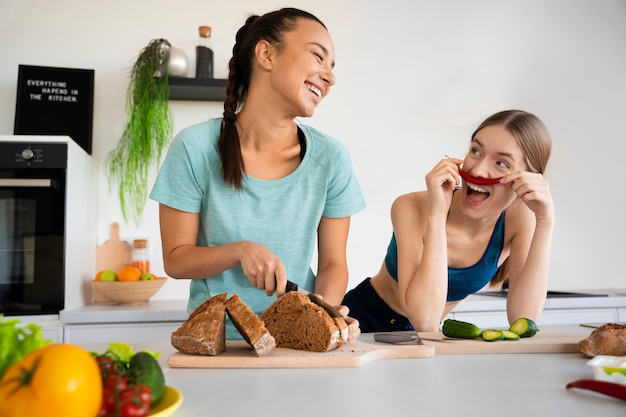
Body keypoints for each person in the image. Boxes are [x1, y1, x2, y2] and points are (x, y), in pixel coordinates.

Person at [150, 8, 365, 340]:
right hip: (215, 342)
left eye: (332, 67)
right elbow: (176, 260)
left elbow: (333, 264)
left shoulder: (331, 159)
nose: (330, 76)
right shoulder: (194, 148)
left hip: (297, 343)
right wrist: (240, 251)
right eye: (318, 57)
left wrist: (323, 310)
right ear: (266, 53)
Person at [343, 109, 554, 333]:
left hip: (425, 337)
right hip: (360, 322)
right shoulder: (410, 207)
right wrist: (437, 213)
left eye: (501, 163)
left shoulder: (520, 219)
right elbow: (424, 320)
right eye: (476, 151)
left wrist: (545, 221)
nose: (479, 169)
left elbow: (524, 318)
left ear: (528, 178)